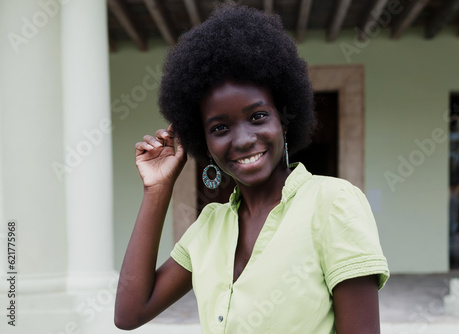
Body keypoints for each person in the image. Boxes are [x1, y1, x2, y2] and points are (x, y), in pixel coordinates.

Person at [114, 4, 389, 333]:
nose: (243, 140)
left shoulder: (333, 204)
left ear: (284, 120)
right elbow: (129, 314)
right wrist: (157, 190)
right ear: (203, 142)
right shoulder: (208, 228)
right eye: (219, 128)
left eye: (258, 116)